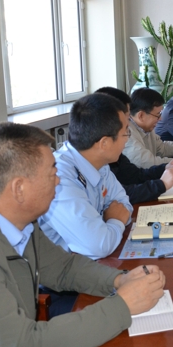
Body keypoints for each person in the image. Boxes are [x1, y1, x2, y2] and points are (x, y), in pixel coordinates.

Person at [0, 122, 165, 347]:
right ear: (19, 188)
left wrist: (119, 280)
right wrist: (123, 305)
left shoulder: (11, 212)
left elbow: (62, 268)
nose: (59, 180)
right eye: (52, 173)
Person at [39, 94, 134, 260]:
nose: (127, 140)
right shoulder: (58, 178)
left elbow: (124, 205)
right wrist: (115, 221)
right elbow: (99, 245)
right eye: (125, 133)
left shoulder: (99, 163)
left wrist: (109, 225)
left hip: (87, 263)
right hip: (59, 272)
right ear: (104, 143)